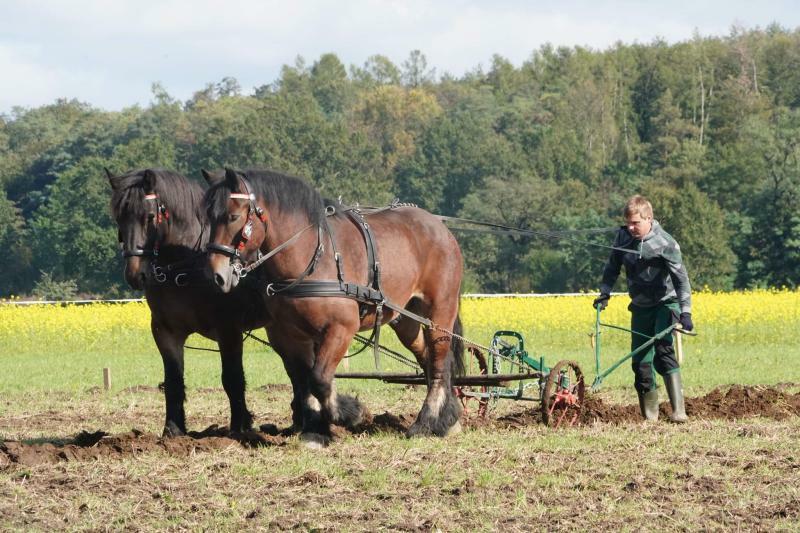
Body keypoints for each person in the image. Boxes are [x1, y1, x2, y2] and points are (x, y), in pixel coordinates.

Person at [593, 195, 693, 423]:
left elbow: (681, 280)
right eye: (627, 222)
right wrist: (604, 293)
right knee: (640, 362)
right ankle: (651, 417)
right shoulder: (622, 237)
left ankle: (679, 412)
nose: (630, 227)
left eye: (635, 223)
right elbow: (612, 268)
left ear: (649, 218)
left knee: (662, 351)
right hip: (639, 307)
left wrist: (686, 312)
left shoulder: (667, 243)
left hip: (665, 304)